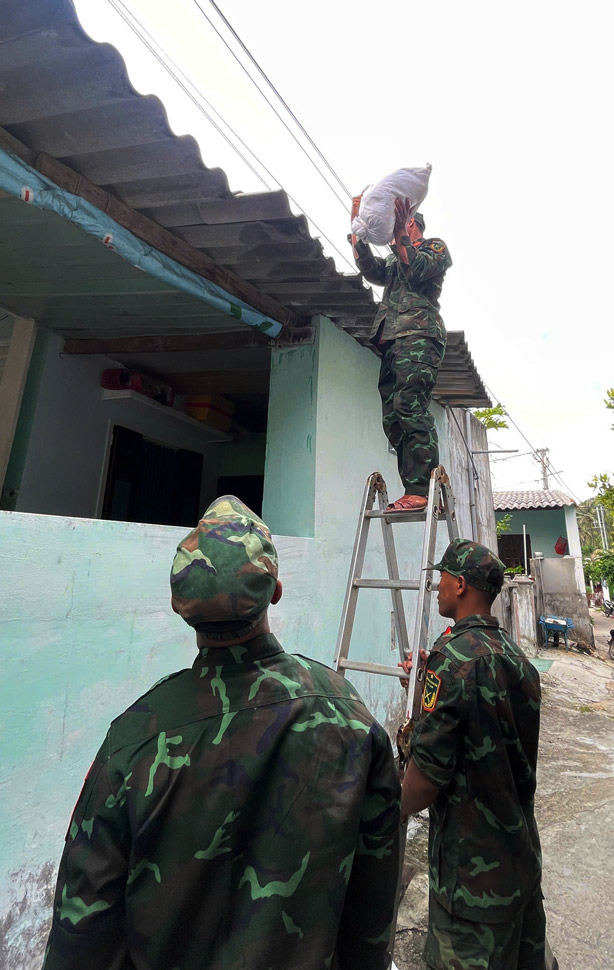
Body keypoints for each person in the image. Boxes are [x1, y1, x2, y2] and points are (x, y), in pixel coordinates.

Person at [42, 495, 402, 970]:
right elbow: (373, 902)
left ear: (180, 604)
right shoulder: (349, 715)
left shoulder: (132, 741)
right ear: (275, 589)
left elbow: (82, 932)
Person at [400, 538, 546, 970]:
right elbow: (487, 725)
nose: (438, 586)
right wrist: (430, 681)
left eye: (442, 577)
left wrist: (385, 813)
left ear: (460, 585)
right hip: (520, 865)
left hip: (471, 890)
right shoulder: (519, 660)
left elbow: (426, 779)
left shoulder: (454, 658)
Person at [349, 197, 452, 513]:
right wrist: (356, 230)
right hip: (393, 339)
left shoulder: (434, 249)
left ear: (412, 223)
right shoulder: (395, 261)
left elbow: (417, 268)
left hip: (419, 336)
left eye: (401, 221)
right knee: (393, 417)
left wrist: (399, 237)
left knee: (410, 404)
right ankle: (413, 487)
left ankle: (420, 490)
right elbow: (370, 269)